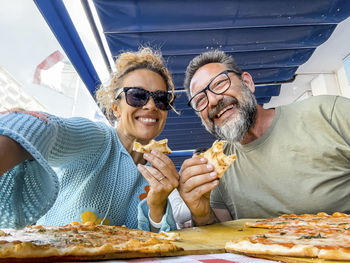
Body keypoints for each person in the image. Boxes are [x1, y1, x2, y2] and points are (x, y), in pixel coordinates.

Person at [0, 47, 179, 232]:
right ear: (115, 108)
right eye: (137, 95)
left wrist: (157, 206)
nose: (151, 105)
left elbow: (160, 242)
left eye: (161, 99)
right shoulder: (98, 138)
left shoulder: (160, 171)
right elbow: (45, 129)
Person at [178, 50, 350, 226]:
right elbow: (218, 237)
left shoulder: (329, 113)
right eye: (200, 100)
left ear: (248, 82)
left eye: (220, 83)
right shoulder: (215, 171)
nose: (213, 100)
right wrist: (200, 213)